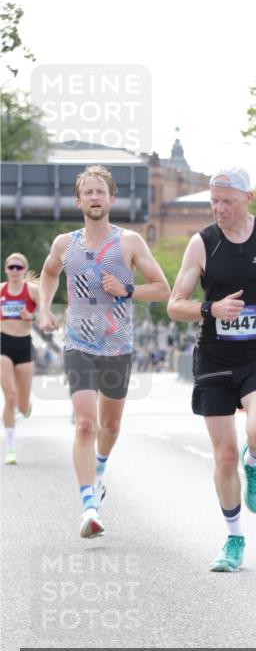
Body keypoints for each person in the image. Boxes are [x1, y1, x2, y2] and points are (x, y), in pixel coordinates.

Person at [167, 166, 256, 573]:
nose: (219, 209)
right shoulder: (202, 243)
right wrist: (211, 308)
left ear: (248, 198)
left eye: (227, 201)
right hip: (214, 359)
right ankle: (234, 539)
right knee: (224, 455)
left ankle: (255, 461)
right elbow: (175, 304)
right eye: (214, 202)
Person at [38, 165, 170, 538]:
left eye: (100, 192)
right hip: (78, 343)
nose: (94, 197)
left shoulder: (129, 242)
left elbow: (162, 288)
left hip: (117, 346)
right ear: (78, 201)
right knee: (85, 423)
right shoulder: (64, 244)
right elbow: (49, 273)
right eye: (88, 192)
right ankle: (88, 507)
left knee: (110, 426)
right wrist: (45, 308)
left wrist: (127, 290)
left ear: (112, 199)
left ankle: (99, 469)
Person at [1, 253, 39, 465]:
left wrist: (31, 316)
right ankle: (10, 449)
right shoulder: (1, 290)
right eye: (11, 267)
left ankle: (27, 406)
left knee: (22, 407)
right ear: (6, 269)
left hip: (24, 345)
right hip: (3, 344)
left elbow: (46, 317)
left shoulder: (32, 291)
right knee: (10, 396)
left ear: (24, 269)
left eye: (18, 267)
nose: (14, 270)